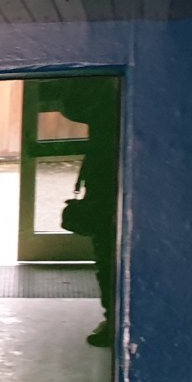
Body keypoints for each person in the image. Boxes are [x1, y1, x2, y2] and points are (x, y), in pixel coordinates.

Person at [48, 78, 120, 348]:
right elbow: (74, 106)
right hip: (104, 179)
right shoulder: (108, 92)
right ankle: (114, 318)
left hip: (107, 179)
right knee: (106, 257)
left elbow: (73, 106)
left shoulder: (108, 96)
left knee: (107, 258)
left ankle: (114, 320)